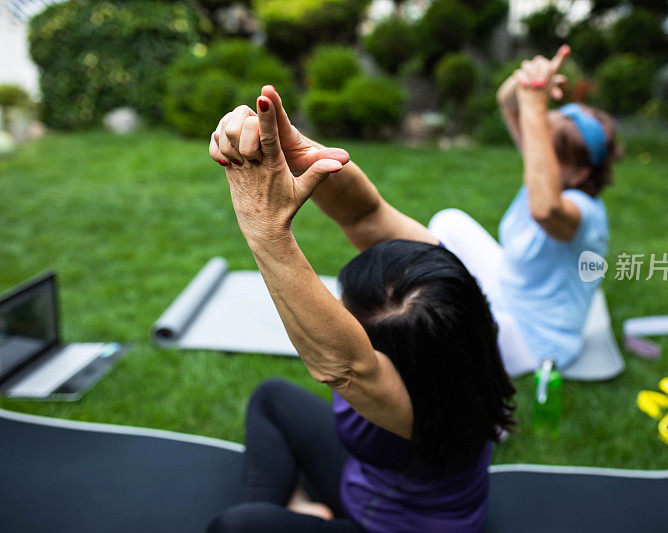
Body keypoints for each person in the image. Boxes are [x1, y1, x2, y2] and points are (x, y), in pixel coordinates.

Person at [206, 86, 516, 532]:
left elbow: (344, 365)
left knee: (236, 527)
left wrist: (265, 230)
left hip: (394, 527)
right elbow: (365, 216)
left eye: (347, 316)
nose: (337, 310)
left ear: (389, 358)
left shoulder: (414, 408)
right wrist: (300, 151)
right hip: (364, 478)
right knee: (273, 398)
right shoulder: (455, 302)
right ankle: (292, 508)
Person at [429, 46, 618, 376]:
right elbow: (507, 102)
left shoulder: (584, 213)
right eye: (539, 140)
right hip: (508, 289)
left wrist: (534, 104)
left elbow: (544, 210)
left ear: (582, 173)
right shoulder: (544, 173)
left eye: (548, 148)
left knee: (436, 333)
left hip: (540, 338)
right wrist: (530, 79)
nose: (537, 151)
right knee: (448, 222)